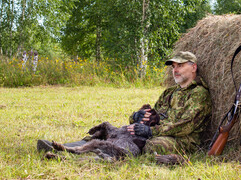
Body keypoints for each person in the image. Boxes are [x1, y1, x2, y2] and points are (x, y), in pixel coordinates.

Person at [37, 51, 211, 158]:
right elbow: (153, 114)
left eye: (180, 65)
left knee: (152, 146)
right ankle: (70, 146)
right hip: (157, 132)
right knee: (118, 132)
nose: (175, 70)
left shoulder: (199, 94)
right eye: (173, 66)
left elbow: (186, 126)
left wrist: (151, 131)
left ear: (193, 67)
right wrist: (137, 117)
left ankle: (90, 154)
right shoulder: (170, 92)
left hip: (182, 140)